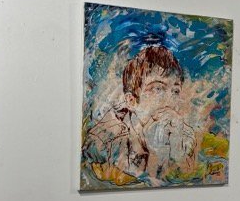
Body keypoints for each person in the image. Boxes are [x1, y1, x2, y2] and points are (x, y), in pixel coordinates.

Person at [85, 44, 199, 185]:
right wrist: (153, 152)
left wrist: (176, 151)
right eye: (157, 89)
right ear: (131, 101)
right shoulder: (105, 140)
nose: (170, 101)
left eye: (175, 91)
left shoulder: (183, 134)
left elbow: (183, 180)